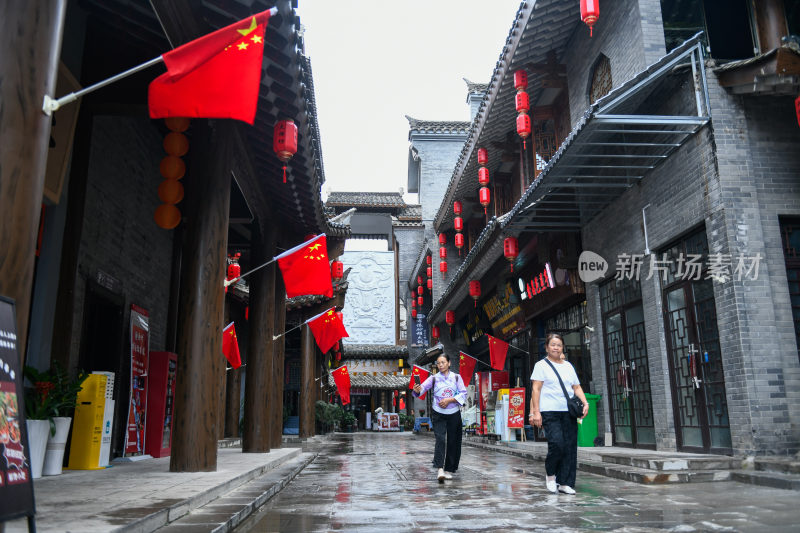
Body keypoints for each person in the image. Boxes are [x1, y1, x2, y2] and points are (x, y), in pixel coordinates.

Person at [528, 333, 589, 495]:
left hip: (568, 412)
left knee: (570, 446)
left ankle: (565, 483)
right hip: (549, 411)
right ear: (547, 347)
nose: (556, 347)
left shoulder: (568, 366)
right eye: (553, 344)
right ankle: (551, 475)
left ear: (563, 347)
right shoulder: (541, 365)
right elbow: (536, 389)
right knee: (557, 444)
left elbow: (576, 387)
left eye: (559, 345)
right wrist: (535, 412)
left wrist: (585, 403)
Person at [412, 353, 467, 482]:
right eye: (438, 363)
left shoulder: (457, 378)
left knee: (453, 441)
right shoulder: (434, 378)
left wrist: (449, 400)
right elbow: (422, 389)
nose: (440, 365)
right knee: (440, 439)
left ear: (449, 363)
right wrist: (417, 389)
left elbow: (463, 394)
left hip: (453, 412)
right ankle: (440, 469)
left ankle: (448, 469)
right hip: (438, 413)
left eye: (443, 362)